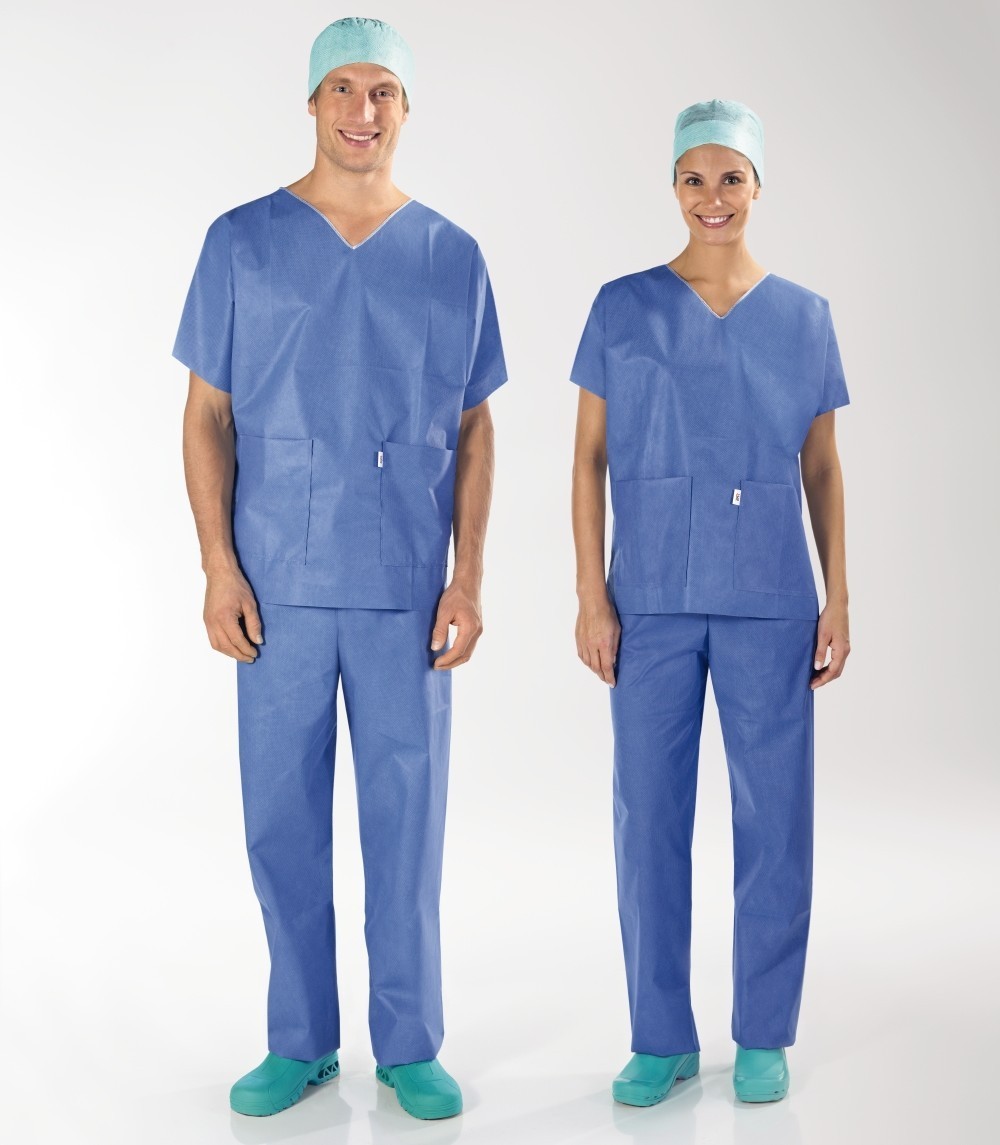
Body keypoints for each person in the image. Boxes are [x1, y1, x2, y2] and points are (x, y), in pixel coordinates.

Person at [173, 16, 506, 1120]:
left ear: (406, 110)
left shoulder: (451, 255)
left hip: (405, 589)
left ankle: (408, 1045)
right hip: (276, 586)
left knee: (406, 824)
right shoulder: (242, 242)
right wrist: (218, 566)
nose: (363, 112)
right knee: (281, 820)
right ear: (312, 103)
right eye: (343, 90)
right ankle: (300, 1039)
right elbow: (207, 415)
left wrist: (467, 576)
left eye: (384, 93)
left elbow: (475, 427)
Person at [570, 99, 850, 1106]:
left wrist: (839, 595)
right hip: (648, 600)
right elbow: (588, 459)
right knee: (648, 819)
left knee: (775, 820)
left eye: (731, 177)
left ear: (758, 186)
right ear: (673, 188)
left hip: (771, 596)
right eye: (694, 178)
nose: (712, 197)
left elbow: (822, 466)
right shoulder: (622, 306)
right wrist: (590, 593)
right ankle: (660, 1037)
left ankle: (763, 1031)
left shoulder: (804, 317)